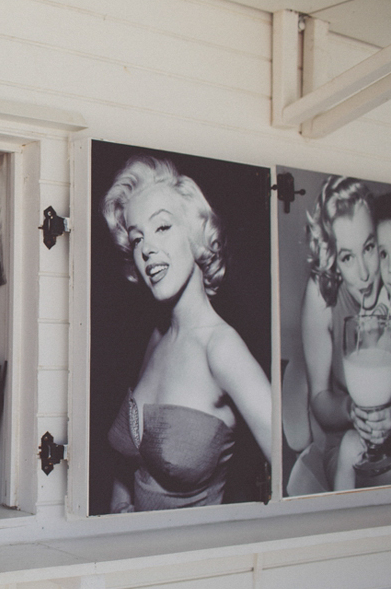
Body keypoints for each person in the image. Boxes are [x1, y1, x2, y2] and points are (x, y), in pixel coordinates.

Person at [101, 155, 271, 512]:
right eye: (136, 239)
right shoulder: (157, 338)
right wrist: (119, 511)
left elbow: (293, 470)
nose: (146, 249)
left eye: (162, 227)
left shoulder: (221, 348)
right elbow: (127, 466)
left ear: (195, 234)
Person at [295, 176, 380, 493]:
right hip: (345, 439)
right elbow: (319, 398)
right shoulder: (321, 296)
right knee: (351, 448)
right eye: (347, 257)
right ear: (332, 257)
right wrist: (350, 410)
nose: (365, 273)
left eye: (369, 248)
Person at [333, 191, 391, 489]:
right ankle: (340, 521)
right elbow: (362, 360)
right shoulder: (380, 302)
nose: (390, 268)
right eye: (382, 254)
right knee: (348, 447)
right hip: (383, 425)